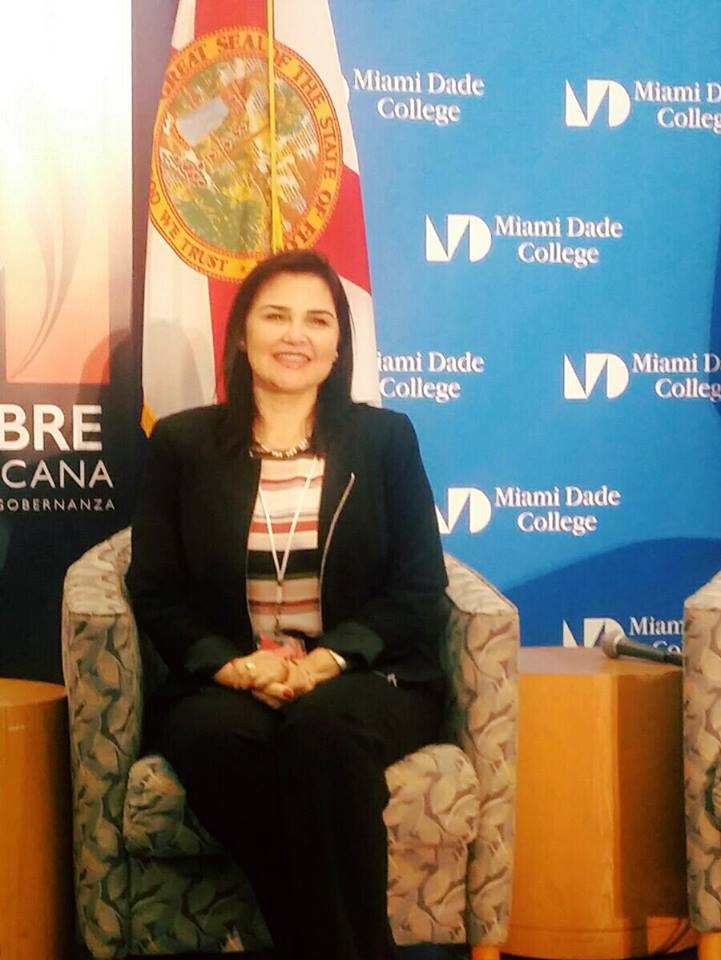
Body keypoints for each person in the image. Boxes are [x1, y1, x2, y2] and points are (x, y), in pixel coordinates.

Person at [126, 249, 449, 960]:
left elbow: (419, 587)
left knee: (323, 732)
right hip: (226, 680)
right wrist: (234, 667)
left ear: (339, 345)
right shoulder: (183, 444)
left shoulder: (384, 440)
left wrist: (327, 662)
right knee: (216, 740)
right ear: (242, 334)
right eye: (275, 316)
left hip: (366, 678)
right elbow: (155, 589)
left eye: (317, 320)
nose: (295, 335)